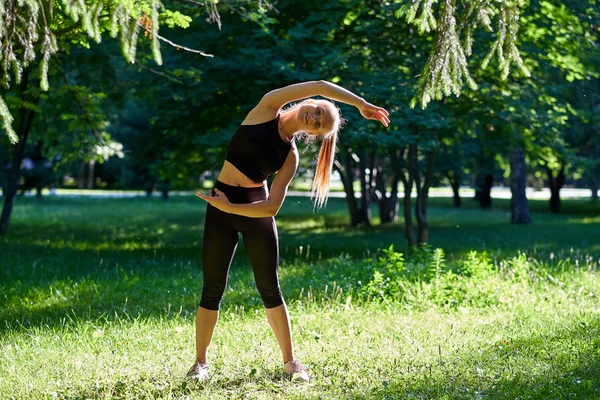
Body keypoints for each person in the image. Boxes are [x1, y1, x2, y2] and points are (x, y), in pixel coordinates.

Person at [190, 80, 389, 383]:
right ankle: (200, 364)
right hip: (221, 205)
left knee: (270, 288)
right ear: (311, 101)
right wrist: (360, 103)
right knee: (212, 288)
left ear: (314, 134)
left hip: (250, 210)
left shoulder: (290, 156)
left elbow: (270, 208)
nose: (316, 117)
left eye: (320, 124)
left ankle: (291, 363)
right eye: (319, 110)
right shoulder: (268, 107)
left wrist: (229, 207)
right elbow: (322, 84)